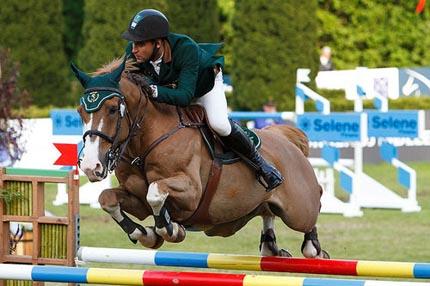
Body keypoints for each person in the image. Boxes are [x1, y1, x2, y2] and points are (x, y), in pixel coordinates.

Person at [122, 9, 283, 191]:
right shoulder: (134, 53)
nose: (134, 49)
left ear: (158, 43)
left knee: (219, 124)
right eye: (133, 43)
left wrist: (151, 89)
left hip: (205, 86)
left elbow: (185, 96)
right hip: (172, 89)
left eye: (140, 44)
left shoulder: (186, 49)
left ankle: (262, 166)